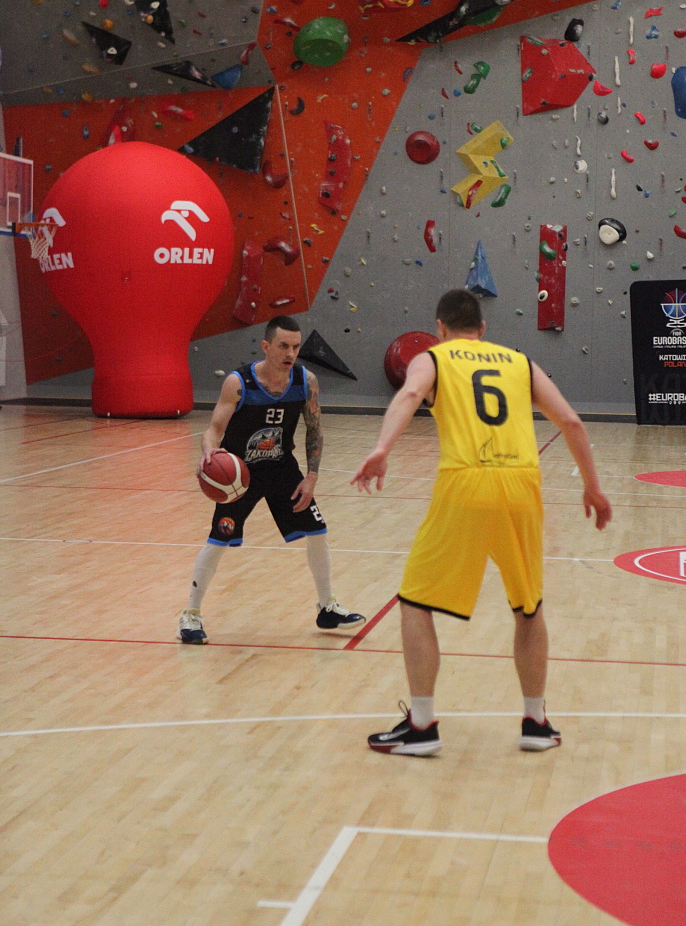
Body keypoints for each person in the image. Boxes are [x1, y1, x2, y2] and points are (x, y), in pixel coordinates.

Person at [352, 289, 612, 756]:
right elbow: (571, 422)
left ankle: (422, 726)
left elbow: (409, 393)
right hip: (521, 485)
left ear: (440, 328)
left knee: (415, 601)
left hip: (466, 483)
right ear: (483, 328)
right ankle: (536, 722)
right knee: (528, 607)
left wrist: (382, 448)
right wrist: (592, 487)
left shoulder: (433, 358)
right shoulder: (520, 362)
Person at [177, 315, 366, 644]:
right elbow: (215, 429)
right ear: (266, 346)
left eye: (295, 347)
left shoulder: (305, 381)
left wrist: (312, 476)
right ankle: (190, 615)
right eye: (283, 346)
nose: (290, 353)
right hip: (240, 474)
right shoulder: (239, 383)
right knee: (219, 540)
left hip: (281, 469)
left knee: (317, 531)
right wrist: (208, 451)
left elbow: (315, 430)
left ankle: (327, 607)